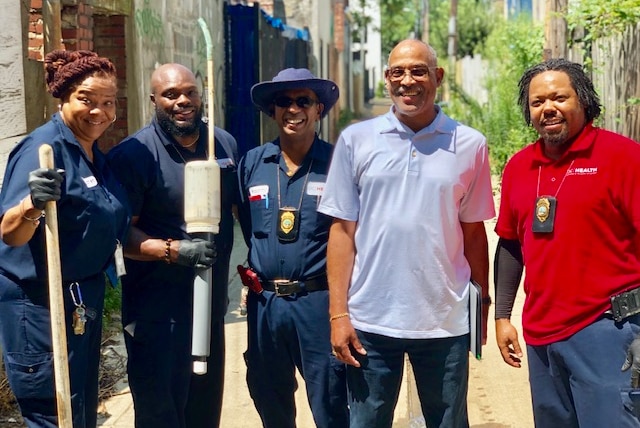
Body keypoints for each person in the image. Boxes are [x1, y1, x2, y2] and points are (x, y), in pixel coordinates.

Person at [317, 39, 495, 428]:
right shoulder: (356, 140)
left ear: (438, 77)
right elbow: (343, 231)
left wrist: (480, 304)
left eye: (418, 71)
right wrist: (338, 314)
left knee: (448, 421)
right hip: (371, 320)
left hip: (444, 320)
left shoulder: (469, 144)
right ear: (387, 79)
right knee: (366, 421)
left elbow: (474, 233)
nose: (408, 81)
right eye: (398, 72)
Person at [494, 58, 640, 427]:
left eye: (559, 97)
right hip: (542, 336)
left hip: (610, 330)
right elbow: (510, 245)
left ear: (584, 101)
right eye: (537, 102)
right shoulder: (520, 167)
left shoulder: (622, 157)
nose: (548, 108)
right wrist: (502, 315)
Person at [0, 50, 130, 428]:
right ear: (64, 97)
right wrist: (32, 203)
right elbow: (10, 232)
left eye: (108, 103)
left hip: (79, 302)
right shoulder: (43, 148)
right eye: (86, 100)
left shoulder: (91, 153)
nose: (99, 112)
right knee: (52, 413)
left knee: (80, 409)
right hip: (39, 305)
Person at [106, 63, 238, 428]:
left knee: (204, 412)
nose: (183, 101)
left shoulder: (222, 144)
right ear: (154, 100)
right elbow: (121, 233)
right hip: (157, 314)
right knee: (161, 414)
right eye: (171, 94)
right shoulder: (134, 155)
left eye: (189, 92)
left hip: (209, 308)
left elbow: (237, 212)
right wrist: (172, 250)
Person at [237, 68, 349, 428]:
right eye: (284, 101)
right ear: (273, 110)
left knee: (330, 403)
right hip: (265, 305)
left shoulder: (338, 164)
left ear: (319, 110)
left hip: (317, 303)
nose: (293, 109)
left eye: (304, 101)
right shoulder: (253, 163)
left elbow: (351, 236)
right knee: (270, 401)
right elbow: (247, 224)